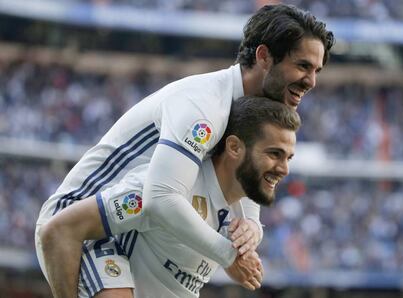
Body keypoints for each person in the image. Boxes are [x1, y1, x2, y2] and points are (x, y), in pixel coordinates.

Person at [35, 3, 334, 297]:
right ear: (264, 56)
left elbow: (246, 166)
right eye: (303, 66)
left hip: (135, 228)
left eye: (316, 70)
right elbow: (161, 197)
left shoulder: (247, 112)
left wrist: (252, 224)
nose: (311, 81)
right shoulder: (204, 107)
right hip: (85, 222)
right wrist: (228, 255)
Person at [39, 96, 301, 297]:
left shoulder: (241, 216)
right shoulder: (166, 190)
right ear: (234, 147)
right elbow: (59, 229)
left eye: (288, 157)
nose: (284, 169)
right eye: (274, 154)